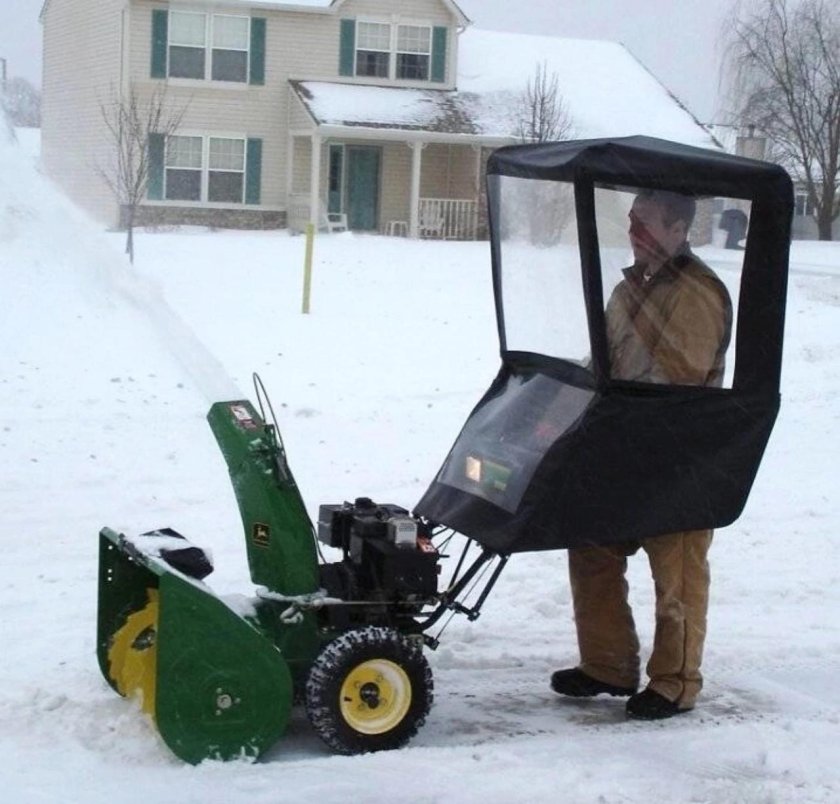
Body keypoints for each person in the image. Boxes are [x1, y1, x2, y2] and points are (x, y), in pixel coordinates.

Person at [551, 189, 733, 719]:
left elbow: (680, 380)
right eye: (631, 220)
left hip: (678, 458)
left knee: (675, 572)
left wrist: (617, 410)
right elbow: (603, 361)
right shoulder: (629, 290)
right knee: (591, 544)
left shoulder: (696, 294)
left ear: (679, 231)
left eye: (647, 222)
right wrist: (561, 402)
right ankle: (607, 663)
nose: (634, 231)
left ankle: (676, 682)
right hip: (622, 448)